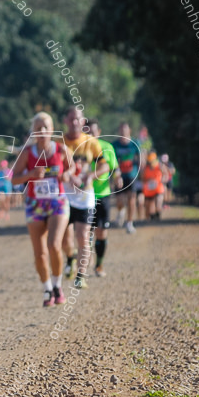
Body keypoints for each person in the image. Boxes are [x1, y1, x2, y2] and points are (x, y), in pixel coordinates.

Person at [11, 112, 73, 307]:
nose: (42, 131)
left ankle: (57, 286)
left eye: (46, 127)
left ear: (52, 129)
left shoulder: (61, 149)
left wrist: (66, 175)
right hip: (35, 205)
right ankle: (47, 289)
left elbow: (72, 169)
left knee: (54, 245)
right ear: (34, 132)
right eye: (38, 128)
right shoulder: (28, 153)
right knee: (39, 253)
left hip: (57, 202)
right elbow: (14, 179)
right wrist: (30, 174)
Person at [60, 108, 109, 289]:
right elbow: (52, 166)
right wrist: (67, 175)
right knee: (65, 240)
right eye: (71, 118)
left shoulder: (91, 142)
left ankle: (81, 275)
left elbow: (104, 165)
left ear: (82, 122)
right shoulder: (60, 142)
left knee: (82, 236)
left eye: (77, 119)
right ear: (66, 120)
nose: (74, 122)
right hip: (64, 196)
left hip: (84, 196)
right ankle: (70, 257)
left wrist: (91, 177)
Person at [86, 119, 118, 278]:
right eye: (87, 132)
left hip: (103, 195)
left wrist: (118, 178)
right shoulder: (81, 149)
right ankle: (86, 256)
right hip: (85, 196)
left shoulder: (107, 147)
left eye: (93, 131)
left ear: (98, 132)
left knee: (101, 232)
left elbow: (114, 168)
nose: (90, 135)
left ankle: (99, 264)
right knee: (85, 231)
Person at [112, 122, 143, 233]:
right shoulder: (114, 145)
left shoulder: (135, 143)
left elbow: (140, 157)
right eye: (121, 130)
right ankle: (121, 210)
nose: (123, 132)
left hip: (132, 175)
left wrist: (141, 172)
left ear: (129, 130)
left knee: (132, 199)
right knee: (119, 201)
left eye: (125, 130)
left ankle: (129, 223)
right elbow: (112, 161)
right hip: (119, 176)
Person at [141, 152, 166, 220]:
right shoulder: (145, 168)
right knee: (148, 205)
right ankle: (151, 215)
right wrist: (148, 180)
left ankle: (158, 213)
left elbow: (165, 173)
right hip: (149, 190)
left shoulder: (159, 166)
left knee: (158, 201)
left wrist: (163, 179)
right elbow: (143, 179)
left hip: (158, 188)